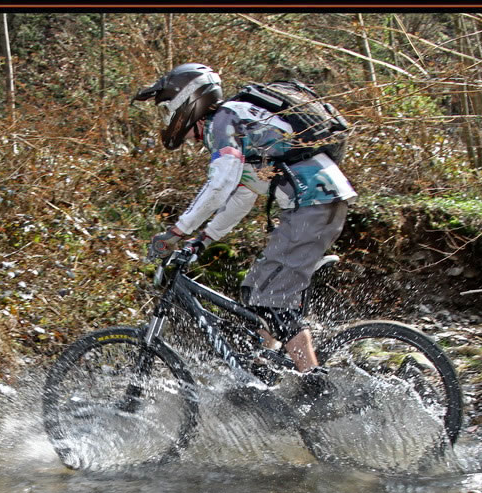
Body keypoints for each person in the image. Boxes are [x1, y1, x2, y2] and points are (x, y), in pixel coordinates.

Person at [133, 63, 356, 394]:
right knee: (256, 291)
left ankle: (316, 386)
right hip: (315, 205)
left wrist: (177, 232)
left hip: (311, 206)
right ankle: (262, 376)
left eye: (167, 109)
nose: (167, 119)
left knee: (271, 300)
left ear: (187, 101)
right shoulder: (242, 121)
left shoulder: (223, 121)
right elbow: (241, 196)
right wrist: (204, 239)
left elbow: (220, 183)